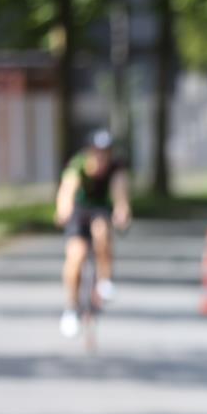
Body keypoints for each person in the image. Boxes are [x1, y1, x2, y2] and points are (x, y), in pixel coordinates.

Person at [54, 129, 131, 337]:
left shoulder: (116, 168)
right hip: (79, 212)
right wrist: (63, 209)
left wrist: (122, 211)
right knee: (75, 257)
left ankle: (105, 281)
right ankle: (71, 308)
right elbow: (67, 190)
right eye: (97, 152)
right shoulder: (77, 165)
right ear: (90, 151)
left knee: (102, 231)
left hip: (100, 210)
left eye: (106, 152)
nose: (101, 157)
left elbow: (120, 193)